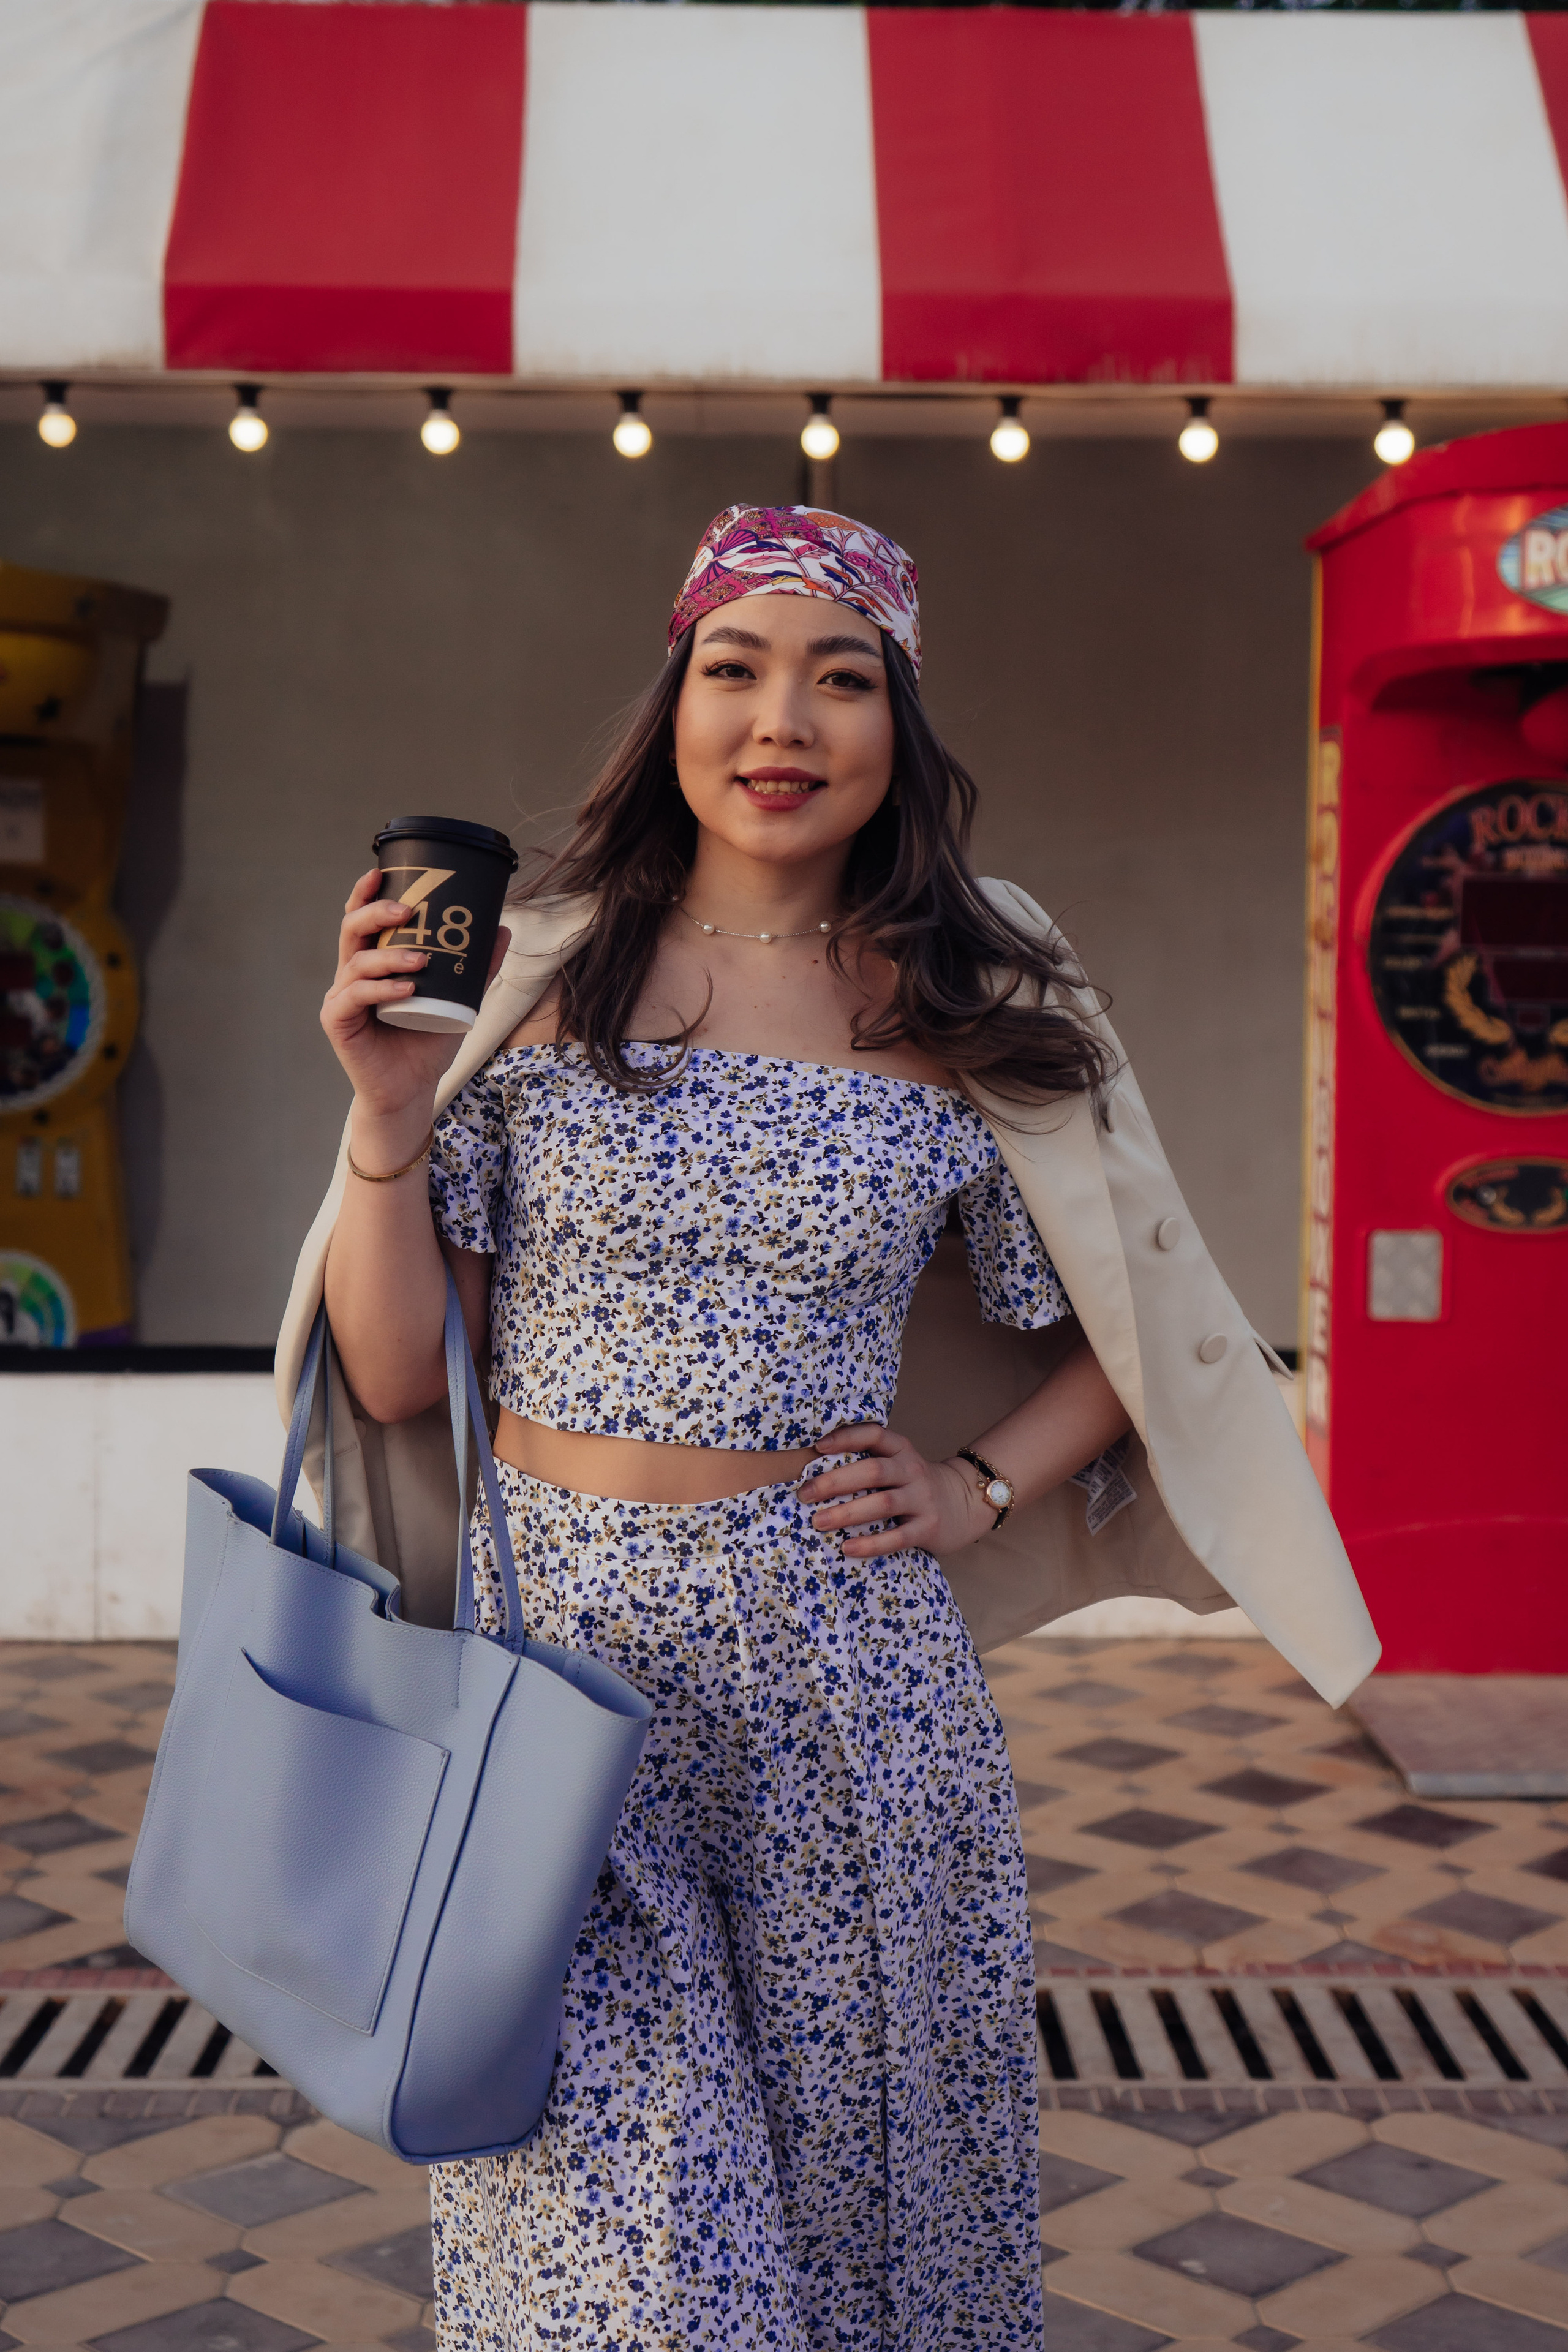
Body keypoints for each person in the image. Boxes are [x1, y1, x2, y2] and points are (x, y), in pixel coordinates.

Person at [285, 505, 1378, 2350]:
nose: (783, 718)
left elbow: (1144, 1316)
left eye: (840, 676)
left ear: (900, 728)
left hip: (846, 1710)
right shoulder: (544, 975)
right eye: (737, 667)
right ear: (677, 700)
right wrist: (385, 1116)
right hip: (558, 1694)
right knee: (630, 2273)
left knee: (870, 2241)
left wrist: (975, 1483)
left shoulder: (966, 990)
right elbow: (399, 1379)